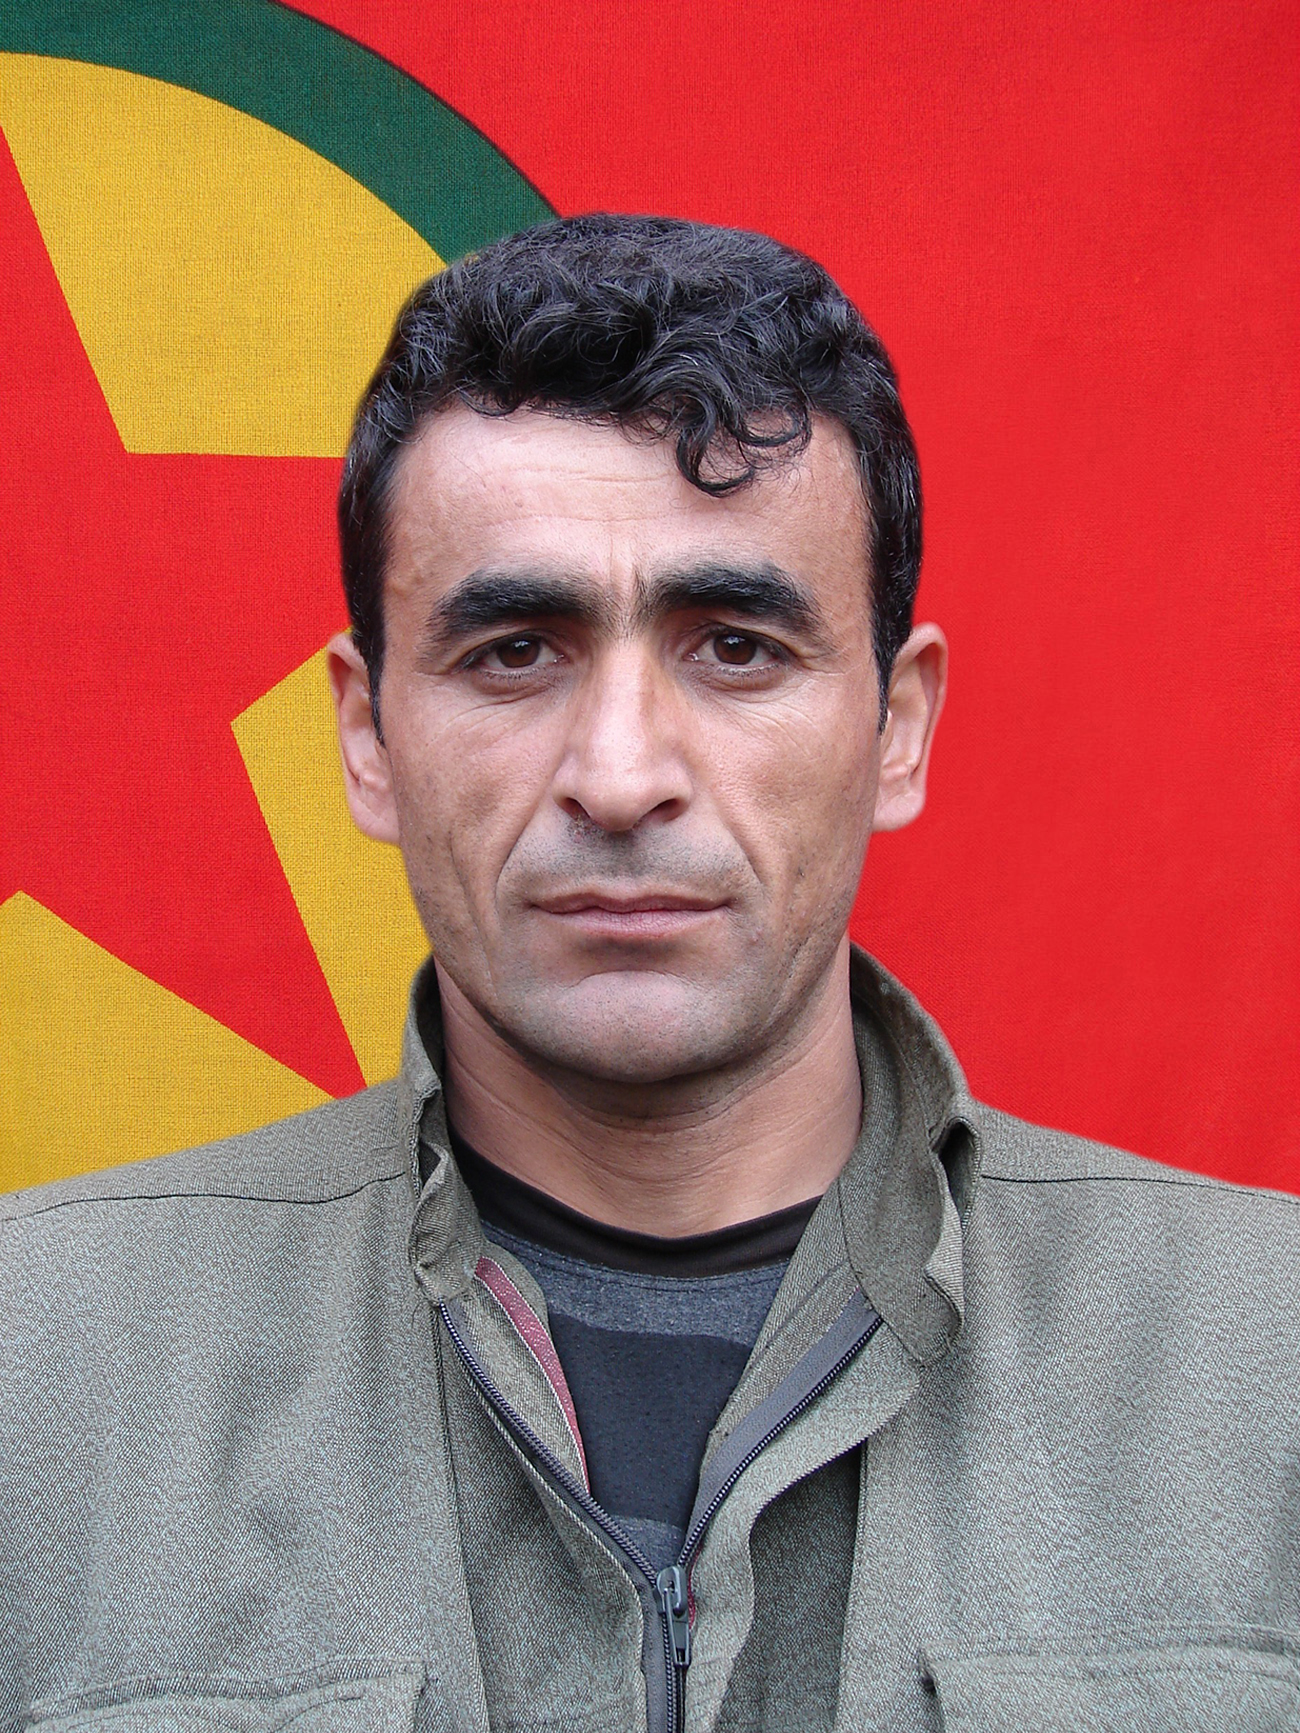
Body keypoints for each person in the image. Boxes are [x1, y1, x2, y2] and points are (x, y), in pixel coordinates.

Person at [2, 215, 1297, 1733]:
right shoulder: (40, 1378)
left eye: (736, 646)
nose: (620, 777)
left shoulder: (1265, 1365)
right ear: (367, 735)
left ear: (898, 729)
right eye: (514, 651)